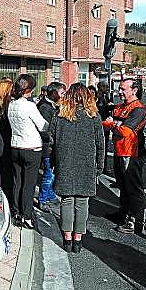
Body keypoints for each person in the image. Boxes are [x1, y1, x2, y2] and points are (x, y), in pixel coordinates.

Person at [49, 83, 105, 253]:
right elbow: (100, 144)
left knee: (66, 200)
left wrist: (52, 163)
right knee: (82, 201)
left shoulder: (59, 115)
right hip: (86, 164)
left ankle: (67, 238)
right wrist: (99, 165)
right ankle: (78, 239)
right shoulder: (93, 116)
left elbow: (51, 142)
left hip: (64, 163)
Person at [103, 79, 146, 234]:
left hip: (132, 153)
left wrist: (113, 124)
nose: (120, 92)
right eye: (120, 89)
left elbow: (125, 131)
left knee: (133, 188)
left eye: (123, 89)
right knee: (122, 185)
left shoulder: (138, 109)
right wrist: (114, 124)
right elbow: (106, 123)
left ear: (134, 90)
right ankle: (123, 213)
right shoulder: (120, 106)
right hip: (119, 151)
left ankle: (135, 221)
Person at [7, 74, 49, 228]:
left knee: (17, 182)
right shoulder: (29, 106)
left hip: (15, 146)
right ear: (28, 89)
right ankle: (27, 216)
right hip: (31, 147)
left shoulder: (11, 105)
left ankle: (17, 213)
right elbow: (43, 126)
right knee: (29, 185)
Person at [36, 81, 67, 212]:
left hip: (51, 145)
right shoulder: (45, 107)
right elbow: (45, 129)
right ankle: (42, 199)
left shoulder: (51, 105)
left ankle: (49, 194)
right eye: (62, 93)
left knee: (51, 173)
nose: (63, 96)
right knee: (49, 174)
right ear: (54, 93)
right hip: (47, 146)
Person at [96, 81, 113, 172]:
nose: (107, 88)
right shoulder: (97, 98)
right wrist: (107, 107)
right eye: (105, 86)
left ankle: (104, 166)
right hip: (100, 125)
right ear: (100, 87)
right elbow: (99, 110)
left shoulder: (106, 97)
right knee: (100, 147)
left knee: (105, 147)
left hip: (106, 125)